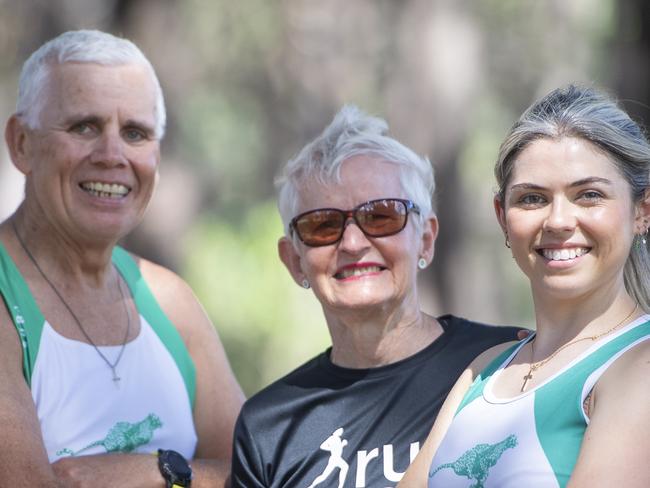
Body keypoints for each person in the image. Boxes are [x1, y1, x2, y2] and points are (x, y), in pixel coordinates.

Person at [230, 105, 523, 487]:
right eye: (322, 225)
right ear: (294, 261)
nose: (352, 243)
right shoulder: (268, 427)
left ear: (426, 239)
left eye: (382, 216)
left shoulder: (509, 362)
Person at [0, 30, 244, 487]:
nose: (112, 155)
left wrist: (158, 472)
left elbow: (258, 472)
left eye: (135, 133)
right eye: (84, 127)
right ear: (21, 144)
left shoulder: (169, 300)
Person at [400, 85, 650, 487]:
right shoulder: (484, 370)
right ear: (502, 217)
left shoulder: (640, 366)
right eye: (532, 199)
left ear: (642, 211)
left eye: (588, 195)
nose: (558, 221)